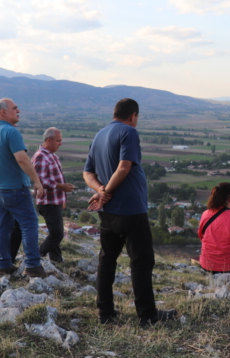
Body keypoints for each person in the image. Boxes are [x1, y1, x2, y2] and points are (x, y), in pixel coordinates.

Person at [84, 98, 177, 327]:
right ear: (133, 115)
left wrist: (100, 191)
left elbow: (87, 173)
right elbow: (124, 168)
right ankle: (147, 316)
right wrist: (107, 191)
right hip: (131, 209)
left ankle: (105, 314)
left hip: (108, 212)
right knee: (141, 262)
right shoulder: (129, 132)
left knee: (107, 260)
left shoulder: (99, 135)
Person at [0, 98, 47, 278]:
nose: (18, 111)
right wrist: (36, 180)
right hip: (14, 188)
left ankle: (3, 264)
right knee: (29, 224)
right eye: (15, 108)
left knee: (3, 226)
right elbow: (22, 159)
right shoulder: (11, 132)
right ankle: (33, 265)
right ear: (3, 112)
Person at [32, 127, 75, 263]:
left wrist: (62, 197)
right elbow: (40, 180)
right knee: (57, 234)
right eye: (58, 141)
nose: (60, 143)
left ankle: (56, 260)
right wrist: (60, 186)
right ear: (48, 140)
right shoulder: (40, 156)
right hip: (47, 202)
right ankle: (37, 256)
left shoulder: (51, 155)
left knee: (55, 232)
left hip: (54, 201)